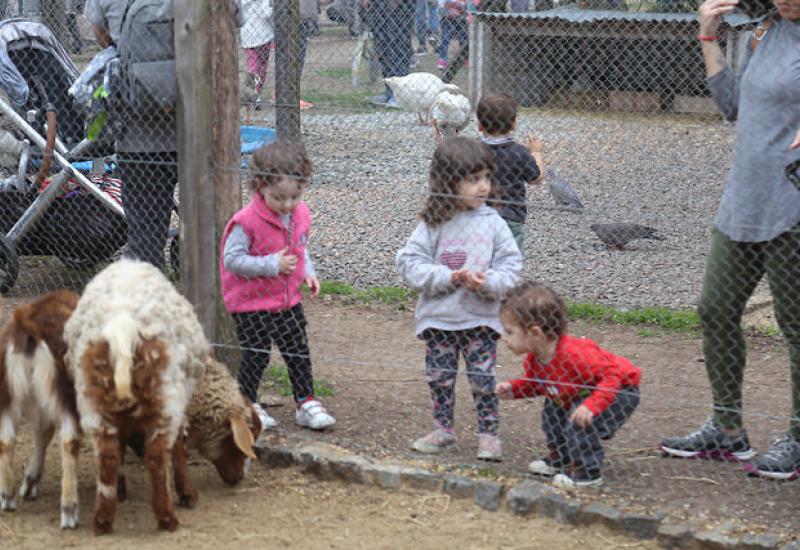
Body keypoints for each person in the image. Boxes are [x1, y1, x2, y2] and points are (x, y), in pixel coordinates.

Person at [659, 0, 800, 480]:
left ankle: (799, 437)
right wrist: (708, 35)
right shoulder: (767, 31)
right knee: (715, 308)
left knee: (796, 326)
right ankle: (726, 428)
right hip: (745, 198)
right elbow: (733, 106)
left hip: (794, 205)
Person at [396, 136, 522, 461]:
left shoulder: (495, 224)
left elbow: (511, 267)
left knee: (483, 380)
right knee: (439, 378)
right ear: (449, 181)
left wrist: (487, 283)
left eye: (486, 178)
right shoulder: (432, 224)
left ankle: (489, 436)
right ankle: (443, 431)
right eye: (473, 179)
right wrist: (448, 277)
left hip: (481, 319)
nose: (483, 186)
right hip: (439, 320)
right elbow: (409, 263)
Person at [220, 141, 335, 432]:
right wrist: (271, 265)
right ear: (260, 186)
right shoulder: (245, 222)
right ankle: (248, 403)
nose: (287, 205)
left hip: (287, 300)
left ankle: (306, 401)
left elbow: (300, 249)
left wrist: (308, 272)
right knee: (256, 354)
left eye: (295, 196)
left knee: (298, 351)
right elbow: (231, 260)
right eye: (279, 198)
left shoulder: (300, 214)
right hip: (251, 304)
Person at [496, 282, 641, 488]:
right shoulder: (535, 358)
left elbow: (612, 375)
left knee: (579, 421)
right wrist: (514, 389)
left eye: (509, 332)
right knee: (552, 409)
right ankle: (562, 459)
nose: (504, 338)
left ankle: (587, 473)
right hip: (581, 392)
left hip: (619, 390)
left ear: (535, 333)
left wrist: (592, 406)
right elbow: (539, 384)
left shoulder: (574, 354)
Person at [84, 0, 177, 270]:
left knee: (145, 234)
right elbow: (234, 20)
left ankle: (146, 299)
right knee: (205, 226)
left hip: (137, 135)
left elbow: (101, 37)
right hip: (194, 129)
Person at [476, 92, 543, 251]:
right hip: (511, 216)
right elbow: (536, 178)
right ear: (513, 124)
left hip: (478, 215)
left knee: (480, 256)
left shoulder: (473, 149)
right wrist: (537, 153)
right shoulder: (519, 152)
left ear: (479, 125)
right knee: (509, 261)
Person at [365, 0, 415, 107]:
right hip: (379, 6)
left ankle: (400, 95)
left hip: (401, 6)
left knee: (398, 47)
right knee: (383, 49)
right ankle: (389, 91)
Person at [240, 0, 274, 110]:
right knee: (262, 66)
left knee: (253, 66)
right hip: (264, 35)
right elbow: (265, 13)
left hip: (247, 34)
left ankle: (253, 94)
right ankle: (257, 93)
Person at [436, 0, 468, 70]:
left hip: (461, 13)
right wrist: (448, 9)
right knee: (445, 38)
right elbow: (441, 4)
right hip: (446, 13)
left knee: (463, 37)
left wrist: (461, 8)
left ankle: (465, 57)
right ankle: (442, 59)